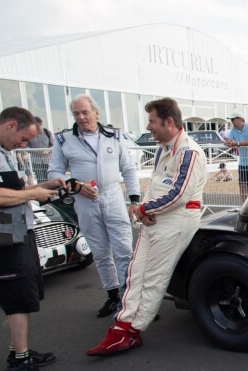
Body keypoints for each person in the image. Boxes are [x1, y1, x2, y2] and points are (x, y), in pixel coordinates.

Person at [86, 97, 207, 356]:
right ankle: (122, 326)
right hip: (155, 218)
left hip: (177, 221)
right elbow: (158, 186)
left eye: (152, 121)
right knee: (135, 273)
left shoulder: (190, 151)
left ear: (169, 122)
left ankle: (132, 332)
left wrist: (142, 209)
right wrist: (144, 210)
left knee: (154, 278)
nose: (149, 126)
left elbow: (179, 194)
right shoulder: (164, 148)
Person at [0, 107, 67, 371]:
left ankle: (18, 352)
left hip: (15, 230)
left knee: (26, 293)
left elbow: (12, 191)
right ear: (10, 125)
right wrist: (35, 193)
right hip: (3, 236)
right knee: (17, 298)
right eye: (23, 139)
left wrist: (46, 186)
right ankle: (21, 362)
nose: (23, 145)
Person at [48, 95, 141, 318]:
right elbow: (54, 172)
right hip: (84, 201)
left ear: (96, 113)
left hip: (113, 196)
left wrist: (135, 200)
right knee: (100, 252)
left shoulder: (114, 135)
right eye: (76, 114)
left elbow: (128, 169)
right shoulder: (63, 140)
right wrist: (75, 186)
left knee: (124, 250)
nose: (81, 118)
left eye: (85, 112)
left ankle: (131, 300)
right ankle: (112, 296)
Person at [223, 113, 248, 199]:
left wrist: (237, 143)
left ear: (239, 119)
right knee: (242, 185)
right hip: (243, 162)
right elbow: (228, 140)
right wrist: (227, 142)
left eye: (233, 119)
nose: (231, 122)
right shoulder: (233, 129)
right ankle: (244, 207)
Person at [17, 116, 54, 184]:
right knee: (41, 179)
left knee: (50, 178)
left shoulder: (47, 132)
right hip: (36, 161)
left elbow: (53, 145)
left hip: (48, 160)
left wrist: (48, 150)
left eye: (39, 125)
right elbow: (25, 147)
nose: (38, 127)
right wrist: (34, 150)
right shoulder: (30, 134)